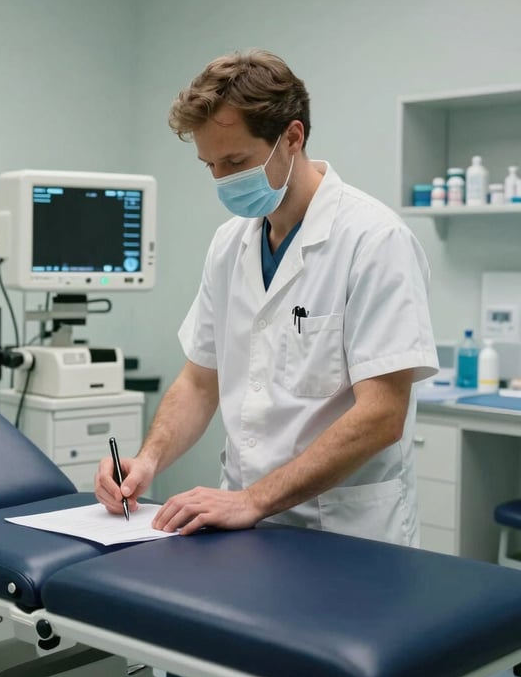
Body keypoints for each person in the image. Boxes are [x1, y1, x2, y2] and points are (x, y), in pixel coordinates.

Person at [95, 49, 438, 546]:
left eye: (235, 161)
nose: (222, 180)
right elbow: (199, 380)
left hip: (342, 529)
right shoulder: (229, 243)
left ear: (292, 138)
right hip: (241, 522)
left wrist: (254, 499)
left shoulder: (374, 240)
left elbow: (383, 414)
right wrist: (148, 460)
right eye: (209, 164)